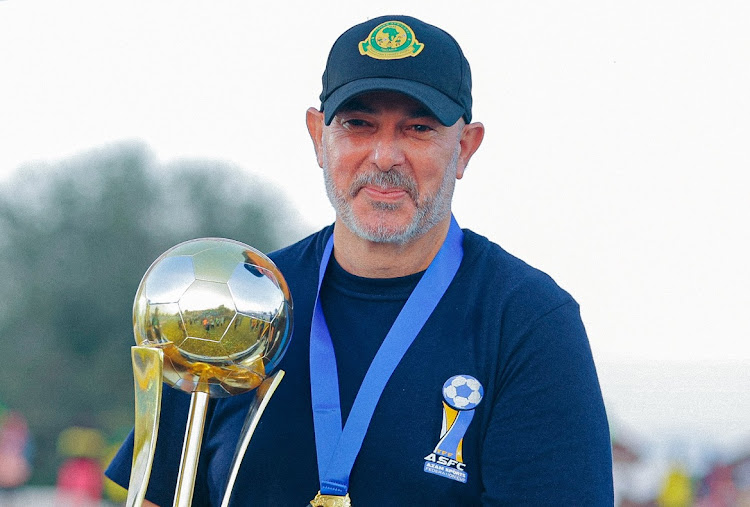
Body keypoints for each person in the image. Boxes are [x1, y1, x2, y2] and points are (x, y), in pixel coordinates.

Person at [106, 14, 613, 505]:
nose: (385, 156)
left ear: (465, 148)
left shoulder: (528, 322)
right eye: (358, 124)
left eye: (417, 128)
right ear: (317, 137)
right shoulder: (238, 302)